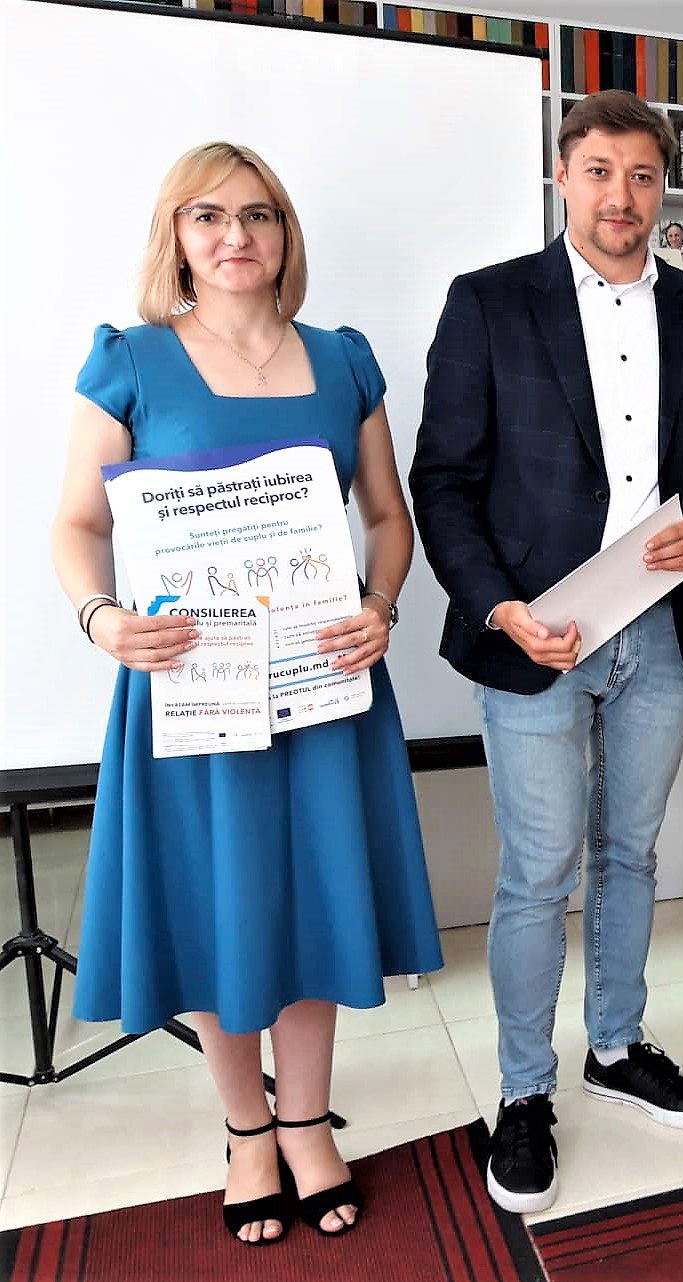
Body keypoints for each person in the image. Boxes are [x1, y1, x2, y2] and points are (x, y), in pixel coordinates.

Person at [49, 142, 443, 1245]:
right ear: (176, 236)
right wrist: (100, 617)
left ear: (285, 234)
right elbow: (74, 525)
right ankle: (246, 1132)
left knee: (314, 902)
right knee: (218, 911)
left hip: (323, 685)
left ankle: (308, 1122)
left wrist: (382, 601)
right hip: (190, 689)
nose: (236, 236)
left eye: (259, 215)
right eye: (209, 216)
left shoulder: (344, 360)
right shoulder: (130, 361)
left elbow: (388, 517)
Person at [409, 89, 683, 1213]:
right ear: (563, 177)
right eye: (600, 171)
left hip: (658, 623)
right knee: (538, 869)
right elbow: (443, 480)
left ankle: (616, 1045)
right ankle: (524, 1091)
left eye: (643, 175)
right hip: (538, 632)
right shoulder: (489, 302)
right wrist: (500, 607)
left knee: (632, 853)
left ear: (665, 189)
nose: (622, 196)